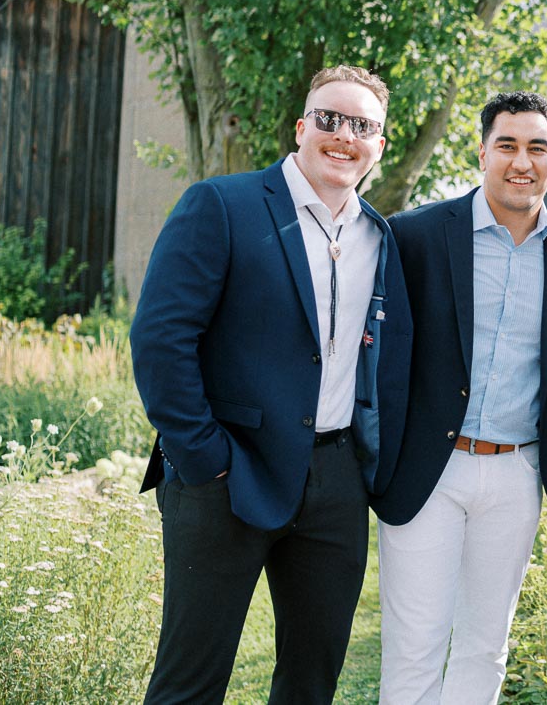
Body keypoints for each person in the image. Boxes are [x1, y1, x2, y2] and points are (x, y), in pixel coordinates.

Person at [131, 65, 412, 704]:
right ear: (301, 127)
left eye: (362, 126)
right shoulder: (221, 204)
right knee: (189, 684)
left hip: (337, 485)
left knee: (311, 684)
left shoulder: (379, 236)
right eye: (329, 119)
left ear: (380, 145)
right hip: (227, 475)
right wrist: (205, 461)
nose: (344, 136)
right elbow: (160, 342)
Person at [373, 91, 547, 704]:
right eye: (507, 145)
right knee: (415, 643)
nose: (522, 161)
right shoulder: (416, 235)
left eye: (537, 147)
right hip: (430, 468)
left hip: (519, 471)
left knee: (485, 644)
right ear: (483, 152)